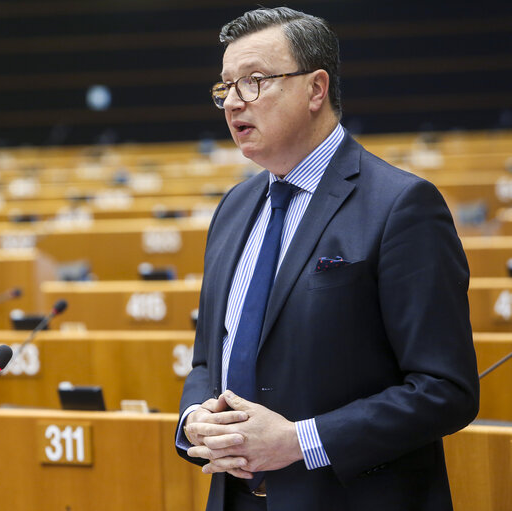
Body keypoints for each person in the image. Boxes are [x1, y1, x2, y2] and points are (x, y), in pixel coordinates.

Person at [176, 7, 479, 511]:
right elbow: (210, 358)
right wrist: (193, 420)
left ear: (316, 89)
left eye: (253, 81)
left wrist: (300, 440)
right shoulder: (233, 208)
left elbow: (445, 390)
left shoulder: (402, 205)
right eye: (225, 87)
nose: (233, 102)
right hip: (235, 497)